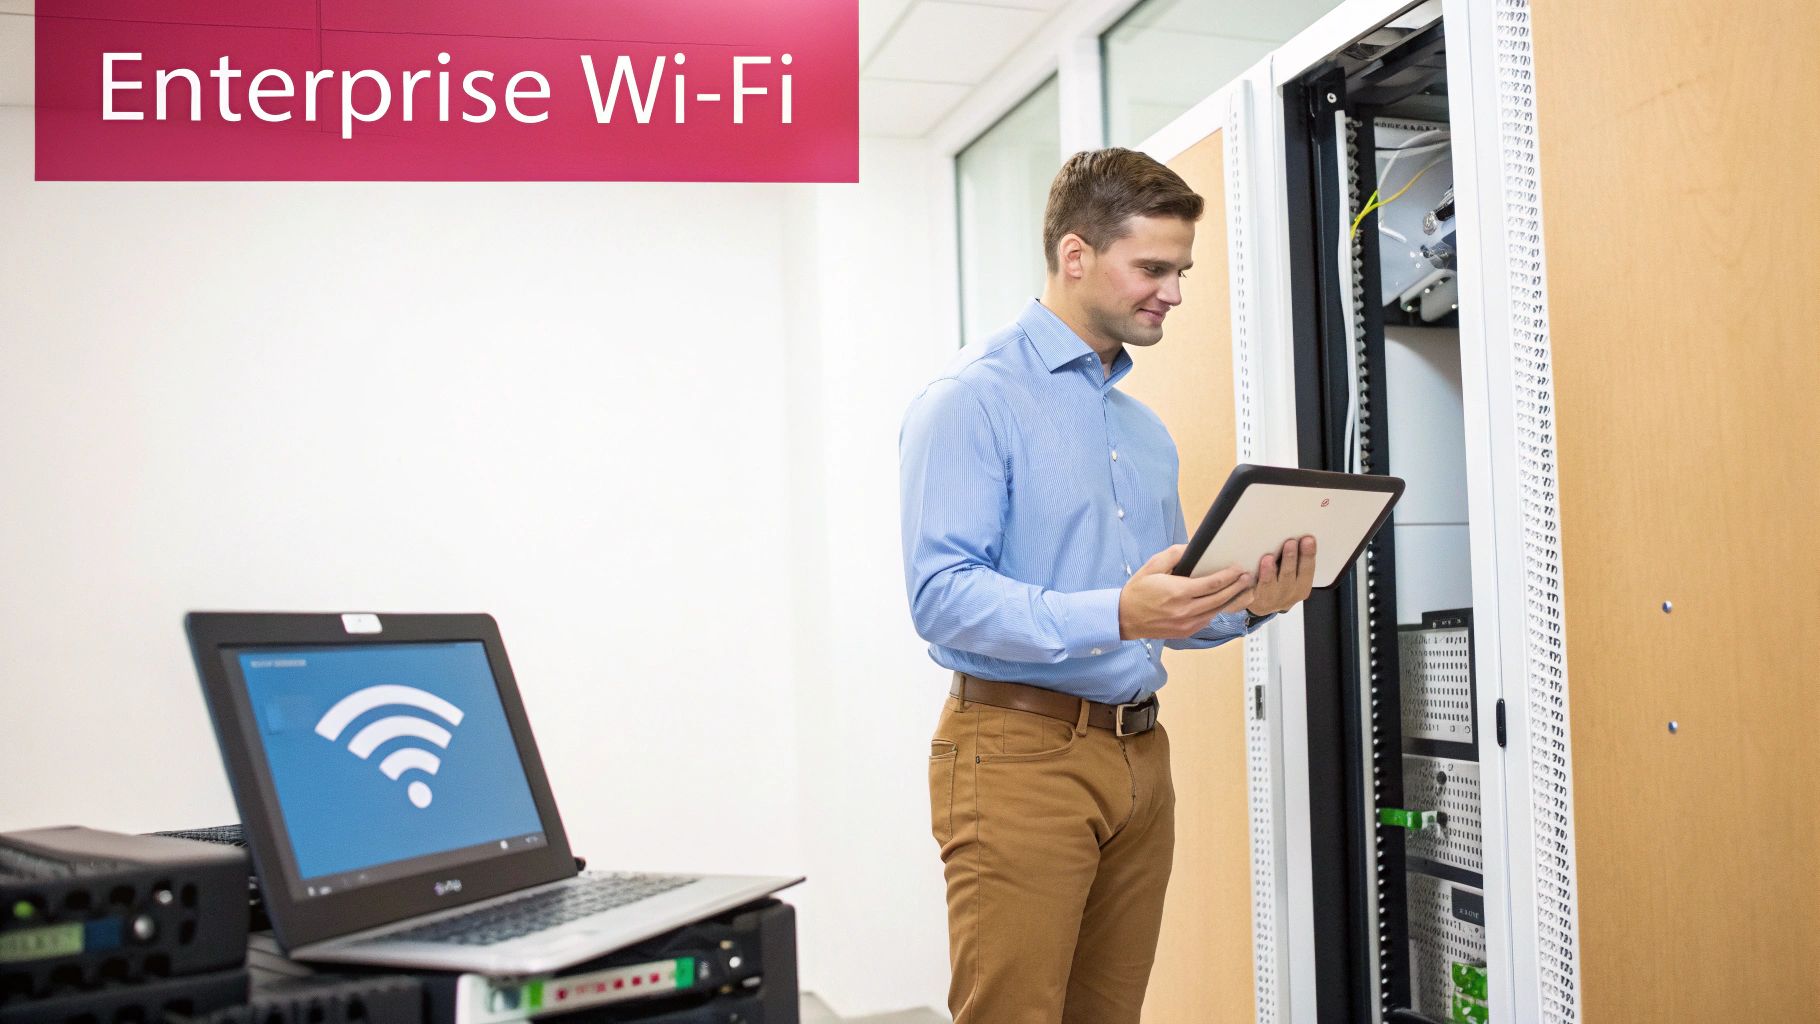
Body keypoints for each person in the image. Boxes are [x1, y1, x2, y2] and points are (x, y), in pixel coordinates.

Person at [897, 147, 1319, 1024]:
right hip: (1017, 754)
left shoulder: (1141, 429)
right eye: (1154, 268)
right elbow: (941, 596)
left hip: (1138, 758)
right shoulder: (970, 400)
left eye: (1182, 271)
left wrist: (1246, 605)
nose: (1172, 291)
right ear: (1076, 255)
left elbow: (1166, 609)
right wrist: (1118, 611)